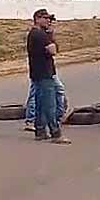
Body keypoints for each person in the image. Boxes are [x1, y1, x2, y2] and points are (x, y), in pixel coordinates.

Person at [27, 8, 69, 144]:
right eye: (46, 18)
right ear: (38, 18)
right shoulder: (40, 34)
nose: (48, 21)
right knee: (50, 104)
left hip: (37, 73)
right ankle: (55, 133)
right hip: (45, 73)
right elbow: (54, 50)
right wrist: (51, 36)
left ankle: (40, 131)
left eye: (49, 19)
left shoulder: (34, 34)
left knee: (40, 103)